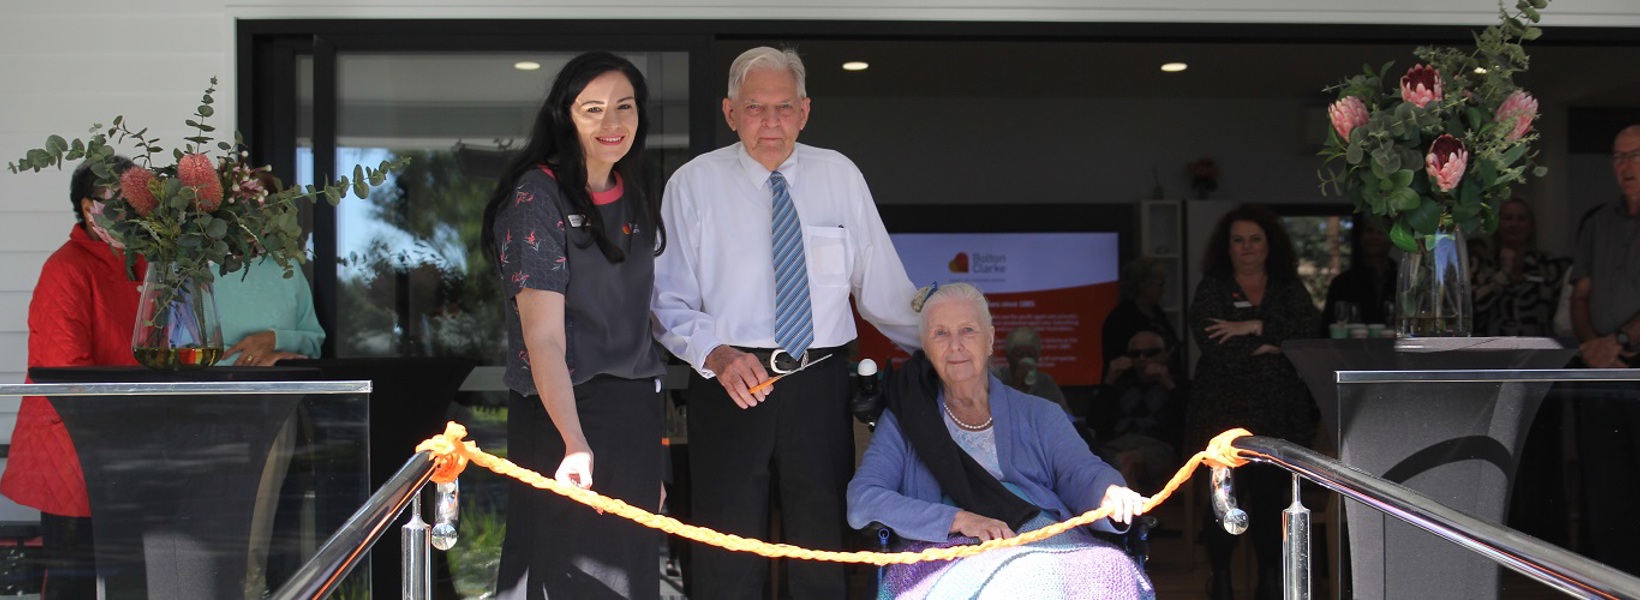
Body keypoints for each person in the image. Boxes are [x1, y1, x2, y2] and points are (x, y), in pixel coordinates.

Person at [650, 46, 922, 599]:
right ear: (730, 113)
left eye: (783, 107)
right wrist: (716, 355)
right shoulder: (692, 184)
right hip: (728, 380)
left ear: (804, 110)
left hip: (818, 384)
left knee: (822, 542)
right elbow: (666, 300)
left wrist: (947, 343)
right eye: (755, 108)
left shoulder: (838, 175)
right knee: (726, 546)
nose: (770, 122)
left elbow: (885, 290)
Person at [480, 51, 668, 599]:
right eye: (594, 109)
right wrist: (574, 442)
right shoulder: (537, 196)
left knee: (630, 577)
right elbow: (543, 338)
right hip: (563, 410)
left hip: (632, 414)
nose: (613, 124)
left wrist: (648, 464)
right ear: (565, 116)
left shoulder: (637, 191)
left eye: (625, 107)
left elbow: (641, 324)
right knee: (566, 574)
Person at [847, 282, 1154, 599]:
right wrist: (959, 520)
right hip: (943, 549)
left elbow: (1082, 471)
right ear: (925, 345)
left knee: (1109, 570)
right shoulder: (904, 421)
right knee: (1021, 579)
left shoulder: (1040, 414)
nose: (955, 345)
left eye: (968, 330)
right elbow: (864, 498)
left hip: (1041, 534)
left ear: (990, 340)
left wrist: (1109, 491)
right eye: (941, 333)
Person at [2, 157, 142, 599]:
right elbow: (66, 371)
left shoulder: (142, 264)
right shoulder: (67, 268)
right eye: (119, 203)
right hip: (72, 445)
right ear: (88, 207)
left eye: (136, 203)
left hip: (129, 446)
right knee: (72, 580)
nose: (131, 213)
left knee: (132, 578)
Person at [1187, 204, 1319, 600]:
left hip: (1278, 414)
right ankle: (1221, 578)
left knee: (1268, 498)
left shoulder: (1288, 286)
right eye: (1238, 240)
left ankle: (1268, 579)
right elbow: (1216, 347)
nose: (1247, 248)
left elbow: (1305, 336)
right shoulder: (1212, 288)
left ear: (1269, 244)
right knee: (1223, 496)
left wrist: (1252, 326)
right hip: (1221, 412)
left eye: (1255, 239)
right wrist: (1271, 345)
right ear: (1226, 247)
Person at [1569, 125, 1640, 574]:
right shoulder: (1598, 222)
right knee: (1604, 489)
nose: (1625, 166)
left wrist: (1619, 341)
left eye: (1635, 155)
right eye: (1617, 157)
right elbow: (1580, 294)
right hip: (1600, 371)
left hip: (1633, 364)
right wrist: (1593, 344)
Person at [215, 174, 325, 366]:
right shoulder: (196, 269)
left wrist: (274, 340)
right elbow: (181, 350)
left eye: (261, 209)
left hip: (281, 392)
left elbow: (313, 344)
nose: (250, 217)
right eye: (242, 206)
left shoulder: (287, 267)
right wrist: (260, 362)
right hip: (209, 392)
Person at [1091, 329, 1187, 495]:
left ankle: (1135, 519)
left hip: (1159, 447)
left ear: (1165, 355)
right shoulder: (1121, 384)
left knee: (1125, 461)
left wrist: (1169, 384)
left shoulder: (1178, 384)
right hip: (1117, 444)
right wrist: (1108, 381)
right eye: (1136, 354)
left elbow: (1188, 419)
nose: (1143, 359)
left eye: (1150, 353)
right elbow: (1094, 421)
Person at [1470, 197, 1569, 337]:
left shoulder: (1548, 266)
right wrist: (1503, 275)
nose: (1514, 224)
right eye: (1508, 218)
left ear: (1531, 225)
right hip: (1490, 350)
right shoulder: (1481, 264)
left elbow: (1562, 314)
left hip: (1539, 350)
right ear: (1497, 223)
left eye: (1521, 219)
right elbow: (1471, 309)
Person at [1101, 257, 1183, 379]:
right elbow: (1121, 361)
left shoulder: (1157, 312)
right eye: (1160, 284)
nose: (1163, 290)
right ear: (1144, 285)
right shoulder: (1121, 319)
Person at [1319, 213, 1395, 332]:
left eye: (1381, 232)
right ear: (1361, 237)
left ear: (1393, 239)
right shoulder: (1342, 283)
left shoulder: (1404, 281)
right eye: (1369, 231)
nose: (1375, 237)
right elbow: (1327, 329)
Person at [992, 326, 1070, 414]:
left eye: (1030, 356)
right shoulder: (996, 378)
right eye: (1020, 355)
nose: (1026, 360)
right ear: (1008, 357)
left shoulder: (1045, 382)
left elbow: (1065, 415)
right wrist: (1016, 384)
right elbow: (994, 412)